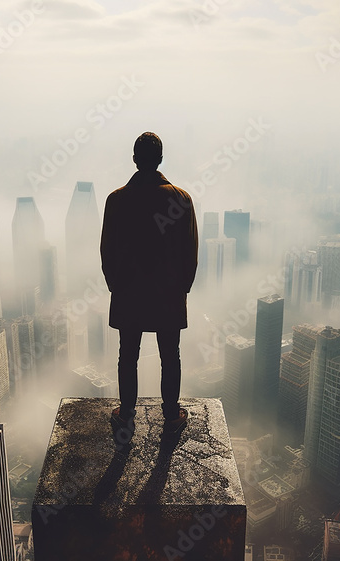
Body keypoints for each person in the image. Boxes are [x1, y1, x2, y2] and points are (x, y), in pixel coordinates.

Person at [101, 132, 199, 437]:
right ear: (160, 160)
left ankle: (127, 415)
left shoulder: (117, 200)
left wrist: (115, 285)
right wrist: (182, 288)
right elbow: (190, 251)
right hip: (168, 293)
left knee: (127, 354)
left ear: (134, 159)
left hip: (129, 292)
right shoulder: (181, 199)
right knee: (170, 354)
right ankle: (171, 416)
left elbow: (107, 250)